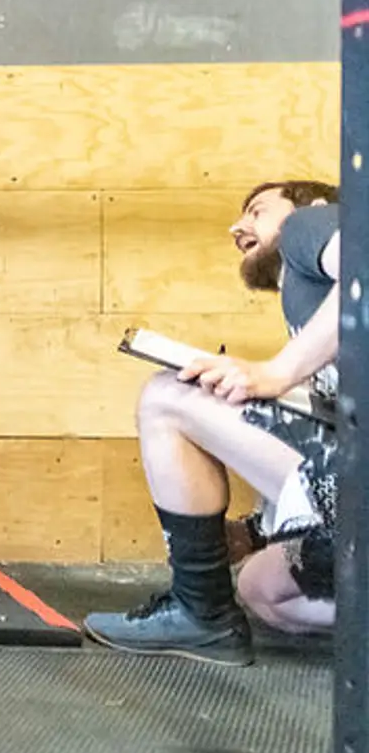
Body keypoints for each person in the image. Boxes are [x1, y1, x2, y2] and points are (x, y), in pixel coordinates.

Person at [83, 180, 341, 665]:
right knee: (264, 589)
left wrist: (278, 371)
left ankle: (201, 614)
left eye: (258, 211)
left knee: (167, 395)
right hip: (348, 488)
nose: (236, 226)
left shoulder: (316, 222)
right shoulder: (320, 314)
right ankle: (211, 605)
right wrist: (254, 534)